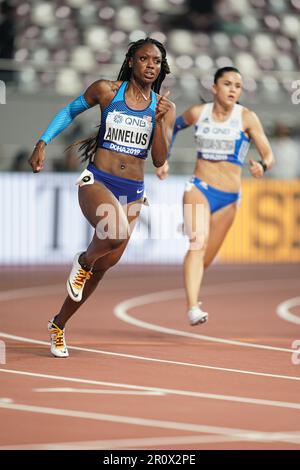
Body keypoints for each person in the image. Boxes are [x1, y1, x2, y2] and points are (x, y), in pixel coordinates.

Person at [29, 38, 176, 357]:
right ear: (131, 61)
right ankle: (82, 261)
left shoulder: (163, 106)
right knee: (116, 232)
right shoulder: (107, 90)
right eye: (144, 59)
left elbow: (160, 160)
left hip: (133, 192)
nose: (150, 65)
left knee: (105, 265)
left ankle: (58, 325)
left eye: (156, 61)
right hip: (97, 180)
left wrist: (162, 120)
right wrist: (43, 142)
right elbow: (70, 111)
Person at [156, 66, 274, 326]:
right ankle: (192, 307)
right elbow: (172, 127)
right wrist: (164, 158)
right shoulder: (199, 113)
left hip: (229, 198)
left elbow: (268, 153)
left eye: (238, 86)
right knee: (197, 244)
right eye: (228, 84)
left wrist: (262, 166)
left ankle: (191, 231)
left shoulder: (247, 118)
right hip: (200, 188)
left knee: (206, 257)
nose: (233, 89)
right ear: (215, 87)